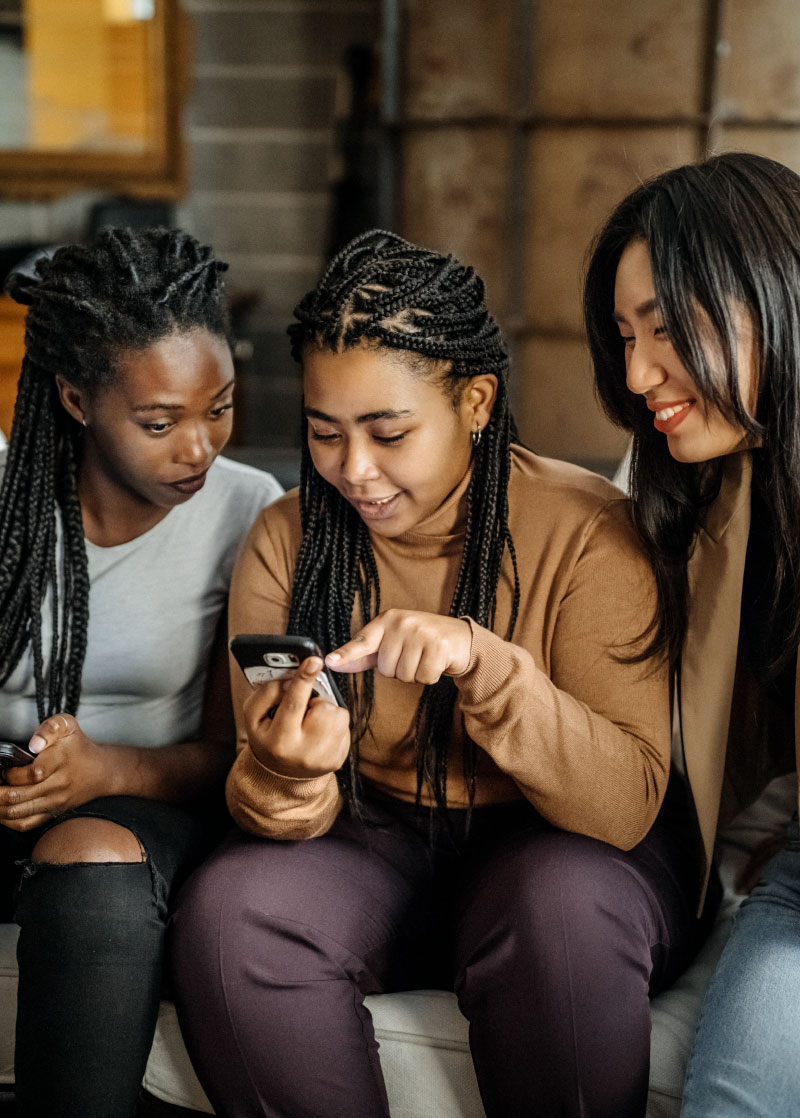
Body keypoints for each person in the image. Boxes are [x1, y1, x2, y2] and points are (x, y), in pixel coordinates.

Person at [170, 229, 705, 1118]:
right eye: (324, 433)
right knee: (233, 913)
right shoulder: (286, 540)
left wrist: (488, 666)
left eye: (388, 432)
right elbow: (261, 803)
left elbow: (621, 807)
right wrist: (287, 774)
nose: (353, 470)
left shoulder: (591, 532)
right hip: (370, 833)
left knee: (559, 910)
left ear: (478, 401)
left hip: (564, 844)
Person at [0, 227, 283, 1118]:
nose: (198, 448)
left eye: (219, 409)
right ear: (77, 399)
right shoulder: (8, 497)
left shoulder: (247, 511)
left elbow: (238, 752)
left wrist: (103, 771)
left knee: (92, 863)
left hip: (148, 811)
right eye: (160, 422)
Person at [584, 150, 800, 1117]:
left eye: (666, 330)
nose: (637, 375)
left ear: (773, 296)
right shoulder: (692, 482)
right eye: (625, 336)